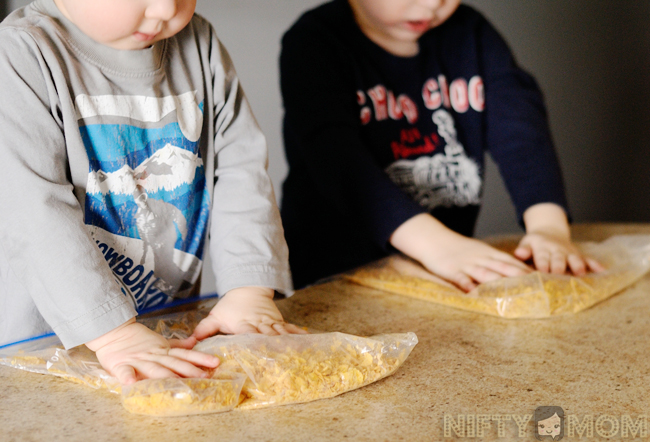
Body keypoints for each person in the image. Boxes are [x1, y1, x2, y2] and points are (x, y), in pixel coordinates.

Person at [0, 0, 305, 385]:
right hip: (47, 350)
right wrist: (114, 335)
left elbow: (241, 171)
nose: (164, 9)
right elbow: (32, 212)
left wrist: (249, 291)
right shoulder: (19, 55)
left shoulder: (200, 43)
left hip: (161, 336)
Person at [279, 0, 603, 290]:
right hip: (336, 273)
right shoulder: (314, 41)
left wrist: (548, 226)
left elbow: (521, 129)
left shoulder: (471, 32)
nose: (433, 4)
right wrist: (437, 246)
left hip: (442, 264)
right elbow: (338, 159)